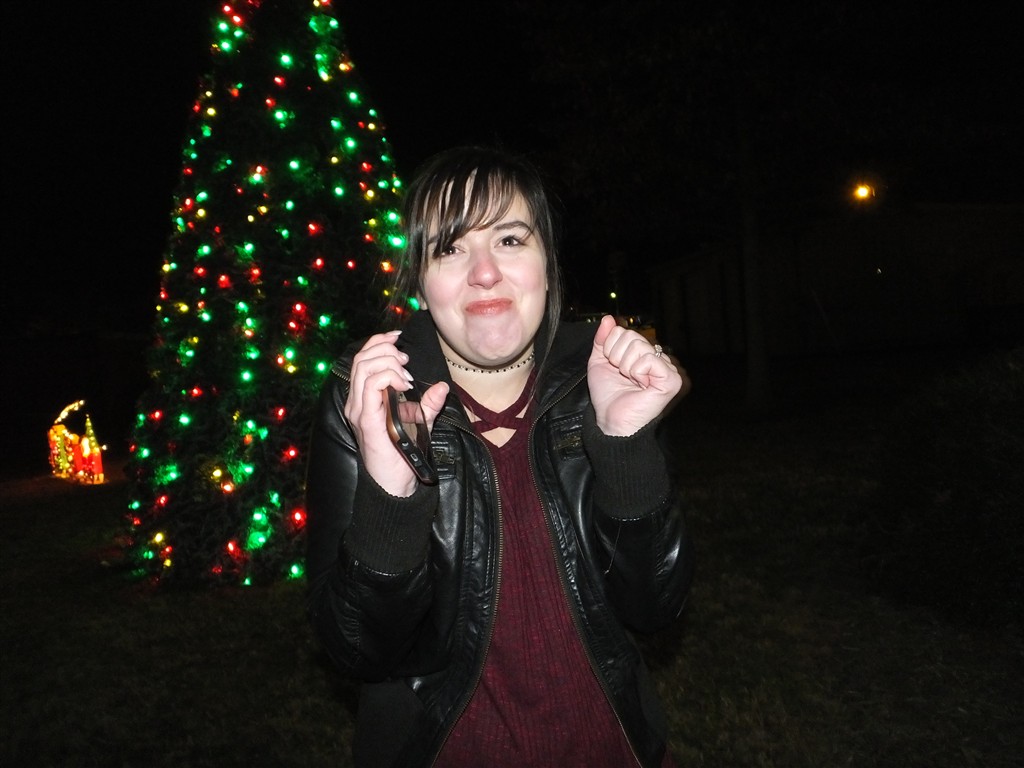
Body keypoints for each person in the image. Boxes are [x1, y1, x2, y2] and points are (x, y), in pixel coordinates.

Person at [305, 146, 694, 768]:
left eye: (510, 240)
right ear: (419, 281)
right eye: (450, 248)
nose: (484, 273)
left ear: (548, 264)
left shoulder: (602, 382)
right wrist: (390, 495)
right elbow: (359, 650)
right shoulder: (369, 400)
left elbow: (653, 609)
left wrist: (623, 446)